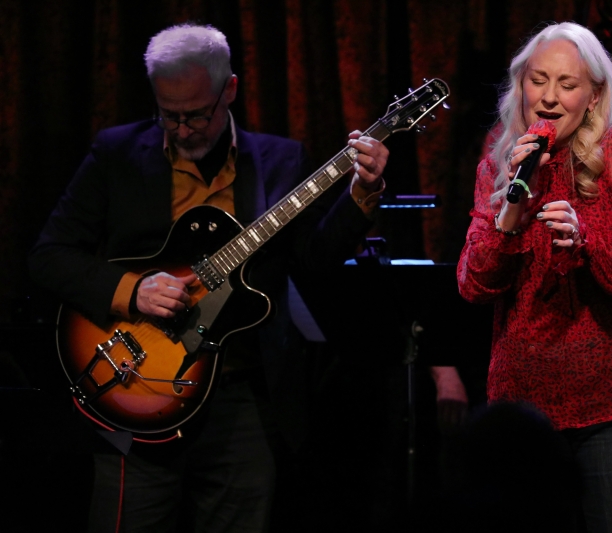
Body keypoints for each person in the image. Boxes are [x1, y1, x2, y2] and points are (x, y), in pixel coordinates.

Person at [28, 23, 389, 532]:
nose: (182, 130)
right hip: (135, 385)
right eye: (168, 115)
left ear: (231, 90)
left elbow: (313, 262)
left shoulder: (282, 160)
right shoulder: (116, 153)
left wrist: (360, 195)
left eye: (196, 114)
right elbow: (49, 255)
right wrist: (132, 292)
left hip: (243, 400)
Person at [456, 21, 612, 533]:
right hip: (522, 408)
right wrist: (508, 221)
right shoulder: (502, 154)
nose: (549, 98)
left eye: (567, 84)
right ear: (520, 84)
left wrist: (590, 246)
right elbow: (473, 285)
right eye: (538, 80)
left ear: (594, 94)